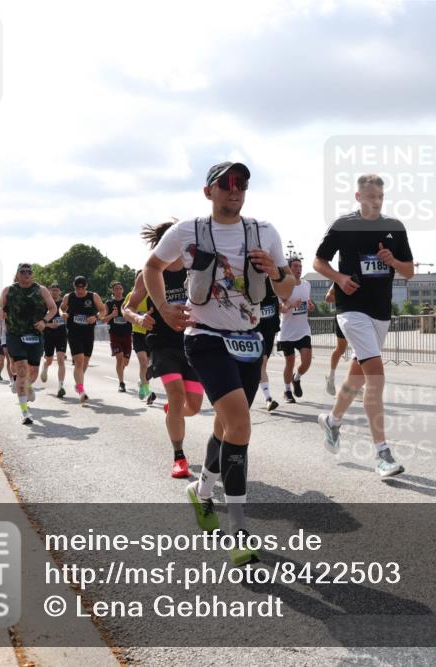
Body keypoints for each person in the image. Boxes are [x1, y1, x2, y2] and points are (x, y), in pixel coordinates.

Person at [145, 161, 293, 565]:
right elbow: (153, 267)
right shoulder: (188, 231)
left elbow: (287, 286)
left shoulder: (265, 231)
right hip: (205, 338)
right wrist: (162, 306)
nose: (235, 190)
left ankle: (202, 491)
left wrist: (276, 272)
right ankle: (239, 528)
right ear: (208, 191)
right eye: (226, 184)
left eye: (241, 184)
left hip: (249, 338)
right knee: (241, 424)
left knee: (226, 425)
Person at [314, 173, 414, 478]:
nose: (376, 202)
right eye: (370, 197)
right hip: (351, 309)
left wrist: (392, 261)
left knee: (357, 377)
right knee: (376, 376)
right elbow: (318, 261)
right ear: (358, 197)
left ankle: (332, 420)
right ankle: (382, 453)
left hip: (380, 312)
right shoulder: (344, 225)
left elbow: (409, 271)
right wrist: (340, 279)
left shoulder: (394, 228)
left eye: (380, 197)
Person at [126, 221, 205, 479]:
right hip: (163, 343)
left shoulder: (195, 268)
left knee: (192, 406)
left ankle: (173, 414)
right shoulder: (148, 273)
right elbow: (128, 308)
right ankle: (179, 456)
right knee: (175, 395)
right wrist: (137, 319)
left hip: (193, 342)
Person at [0, 263, 57, 425]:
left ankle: (28, 385)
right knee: (22, 370)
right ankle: (25, 412)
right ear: (17, 274)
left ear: (33, 274)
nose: (27, 274)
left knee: (33, 372)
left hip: (36, 335)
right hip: (15, 334)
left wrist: (45, 321)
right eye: (23, 272)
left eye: (29, 272)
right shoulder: (9, 290)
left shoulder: (41, 290)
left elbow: (52, 308)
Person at [61, 276, 107, 404]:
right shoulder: (68, 297)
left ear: (86, 286)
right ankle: (81, 391)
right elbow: (61, 308)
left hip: (88, 333)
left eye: (82, 288)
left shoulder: (94, 296)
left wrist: (96, 317)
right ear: (74, 286)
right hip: (74, 333)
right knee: (79, 362)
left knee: (85, 362)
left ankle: (78, 383)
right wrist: (62, 314)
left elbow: (103, 310)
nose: (80, 290)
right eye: (77, 288)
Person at [277, 257, 315, 403]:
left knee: (306, 361)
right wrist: (293, 305)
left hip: (303, 330)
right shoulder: (283, 287)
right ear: (289, 268)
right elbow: (282, 309)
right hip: (287, 332)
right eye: (295, 266)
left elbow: (308, 302)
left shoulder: (307, 284)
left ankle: (296, 378)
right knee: (289, 363)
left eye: (300, 266)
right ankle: (287, 391)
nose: (299, 269)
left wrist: (310, 306)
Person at [123, 272, 157, 403]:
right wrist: (139, 316)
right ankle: (148, 392)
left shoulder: (154, 294)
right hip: (137, 333)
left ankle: (142, 383)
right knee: (143, 362)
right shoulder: (131, 296)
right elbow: (126, 311)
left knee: (147, 365)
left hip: (151, 334)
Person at [256, 277, 281, 412]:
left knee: (260, 367)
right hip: (255, 332)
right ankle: (268, 399)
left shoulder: (274, 281)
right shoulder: (252, 280)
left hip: (270, 332)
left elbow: (284, 300)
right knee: (262, 364)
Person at [103, 281, 133, 392]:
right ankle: (121, 383)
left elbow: (134, 315)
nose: (118, 290)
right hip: (115, 335)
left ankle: (120, 373)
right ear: (113, 291)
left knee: (125, 361)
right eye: (116, 288)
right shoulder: (109, 303)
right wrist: (112, 315)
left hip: (127, 335)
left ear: (123, 290)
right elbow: (103, 319)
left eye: (120, 288)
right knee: (119, 358)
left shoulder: (128, 302)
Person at [40, 284, 68, 397]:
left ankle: (60, 386)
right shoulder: (45, 304)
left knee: (61, 360)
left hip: (61, 335)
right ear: (49, 292)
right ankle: (45, 367)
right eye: (53, 291)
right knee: (50, 360)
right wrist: (50, 325)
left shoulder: (63, 304)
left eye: (57, 290)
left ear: (60, 292)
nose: (55, 292)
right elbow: (40, 322)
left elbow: (68, 316)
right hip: (49, 335)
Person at [324, 284, 348, 396]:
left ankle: (354, 384)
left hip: (361, 317)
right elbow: (328, 298)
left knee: (361, 349)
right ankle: (331, 376)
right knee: (341, 348)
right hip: (343, 316)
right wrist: (344, 297)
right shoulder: (338, 279)